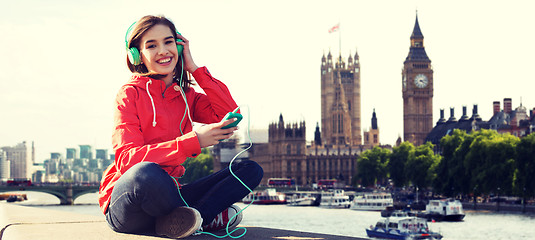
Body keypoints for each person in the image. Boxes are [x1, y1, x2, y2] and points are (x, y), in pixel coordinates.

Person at [98, 15, 263, 239]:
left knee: (250, 170)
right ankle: (204, 217)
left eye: (168, 42)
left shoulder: (187, 96)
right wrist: (194, 141)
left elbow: (228, 113)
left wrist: (194, 68)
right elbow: (128, 161)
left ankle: (193, 218)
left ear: (178, 45)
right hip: (131, 202)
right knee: (145, 173)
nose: (163, 51)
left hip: (171, 196)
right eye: (152, 45)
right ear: (137, 55)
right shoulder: (129, 94)